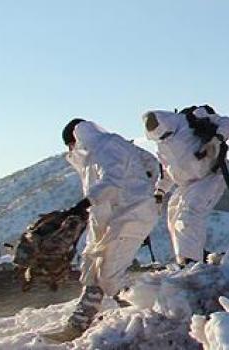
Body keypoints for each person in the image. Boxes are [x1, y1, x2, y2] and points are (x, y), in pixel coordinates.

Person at [44, 119, 160, 342]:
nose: (71, 151)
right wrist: (149, 188)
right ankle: (79, 323)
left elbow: (112, 182)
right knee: (92, 267)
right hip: (114, 217)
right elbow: (151, 163)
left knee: (108, 273)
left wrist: (84, 204)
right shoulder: (103, 148)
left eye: (70, 146)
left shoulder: (105, 147)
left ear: (74, 139)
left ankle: (151, 315)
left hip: (130, 215)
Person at [143, 105, 229, 266]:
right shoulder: (162, 145)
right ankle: (189, 257)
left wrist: (217, 139)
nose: (163, 136)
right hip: (185, 185)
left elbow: (228, 122)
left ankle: (191, 262)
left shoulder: (193, 118)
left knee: (189, 215)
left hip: (208, 177)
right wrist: (160, 191)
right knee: (173, 218)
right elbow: (168, 171)